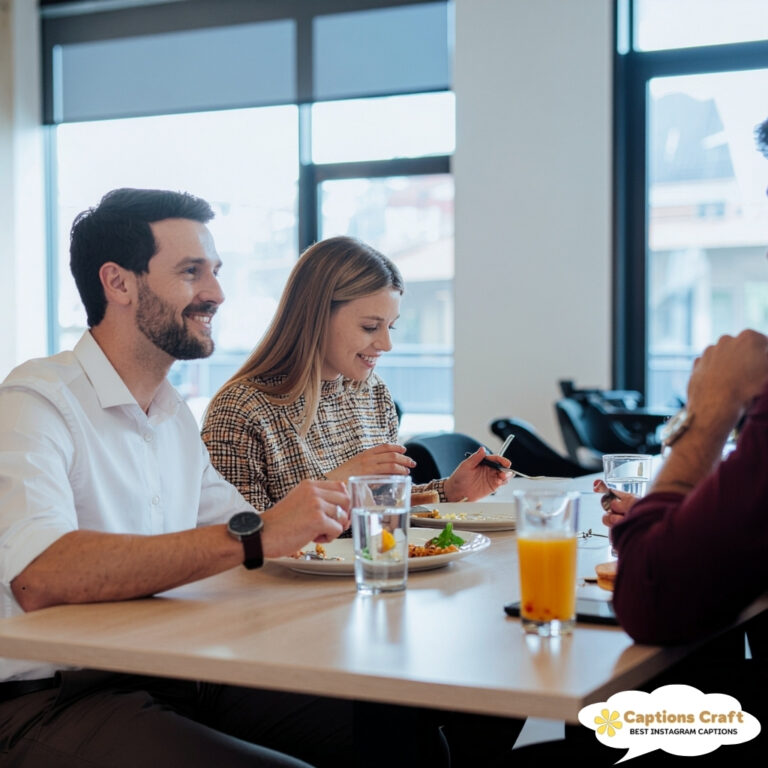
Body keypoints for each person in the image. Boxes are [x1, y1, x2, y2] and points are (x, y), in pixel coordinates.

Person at [0, 188, 358, 768]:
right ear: (118, 283)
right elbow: (40, 575)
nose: (217, 293)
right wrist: (257, 536)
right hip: (50, 700)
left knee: (397, 730)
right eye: (192, 273)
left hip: (175, 669)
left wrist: (313, 523)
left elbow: (248, 530)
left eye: (214, 272)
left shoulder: (169, 414)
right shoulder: (35, 400)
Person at [202, 235, 510, 513]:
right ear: (316, 316)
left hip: (372, 571)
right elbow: (239, 539)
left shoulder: (371, 392)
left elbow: (381, 506)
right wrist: (338, 483)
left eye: (391, 327)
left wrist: (449, 492)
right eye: (369, 327)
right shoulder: (240, 411)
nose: (386, 344)